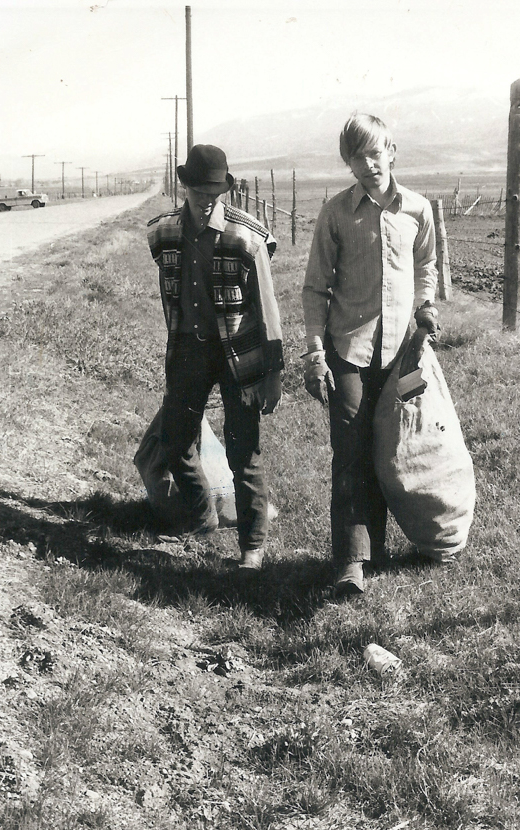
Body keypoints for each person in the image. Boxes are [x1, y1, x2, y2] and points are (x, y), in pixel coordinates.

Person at [301, 114, 438, 595]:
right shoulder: (336, 213)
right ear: (347, 163)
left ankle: (377, 548)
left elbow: (426, 267)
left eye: (375, 152)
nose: (368, 163)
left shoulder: (418, 210)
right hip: (349, 353)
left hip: (402, 354)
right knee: (351, 453)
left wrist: (426, 308)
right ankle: (350, 562)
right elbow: (316, 288)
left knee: (392, 449)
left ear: (392, 151)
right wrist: (315, 351)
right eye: (356, 157)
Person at [147, 144, 284, 570]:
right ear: (184, 187)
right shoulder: (164, 232)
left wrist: (272, 372)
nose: (207, 202)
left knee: (244, 453)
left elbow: (269, 310)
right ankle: (202, 517)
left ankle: (252, 548)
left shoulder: (246, 237)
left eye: (215, 194)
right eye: (198, 193)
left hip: (238, 354)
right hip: (189, 349)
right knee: (174, 441)